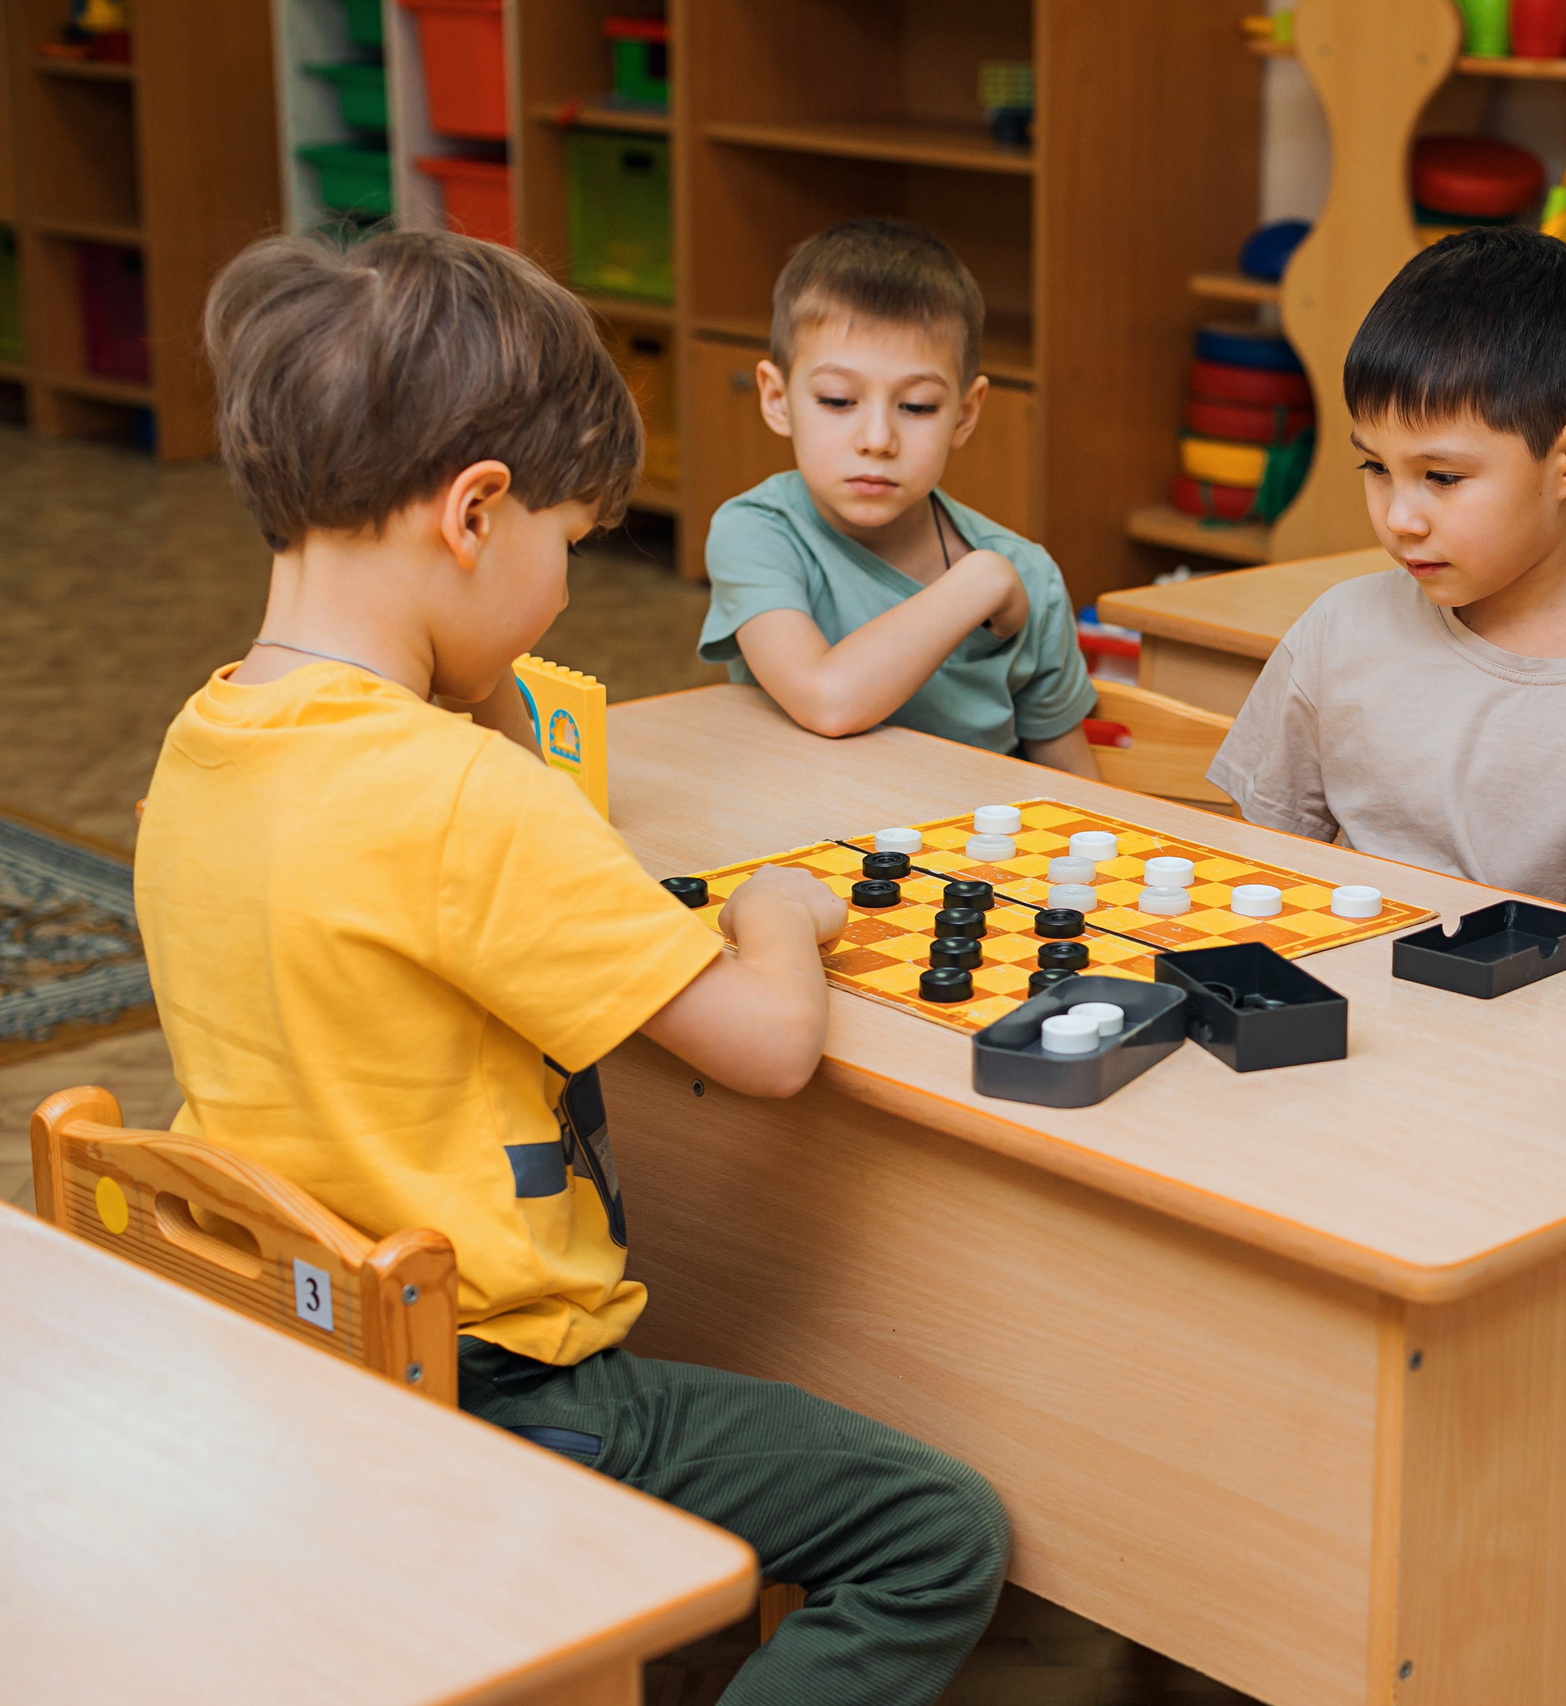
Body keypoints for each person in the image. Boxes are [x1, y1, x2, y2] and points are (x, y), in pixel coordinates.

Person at [134, 228, 1008, 1706]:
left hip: (290, 1350)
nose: (560, 596)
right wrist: (775, 916)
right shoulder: (462, 798)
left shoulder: (206, 739)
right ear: (476, 512)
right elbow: (768, 1046)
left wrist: (475, 701)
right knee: (936, 1531)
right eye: (569, 546)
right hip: (498, 1385)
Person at [1206, 227, 1566, 931]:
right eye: (1376, 467)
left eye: (1442, 477)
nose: (1400, 518)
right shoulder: (1339, 628)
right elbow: (1258, 877)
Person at [698, 218, 1097, 774]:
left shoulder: (1030, 576)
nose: (878, 440)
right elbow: (827, 701)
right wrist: (979, 582)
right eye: (838, 400)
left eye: (916, 407)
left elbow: (1074, 785)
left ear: (966, 414)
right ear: (777, 399)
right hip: (801, 823)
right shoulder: (756, 532)